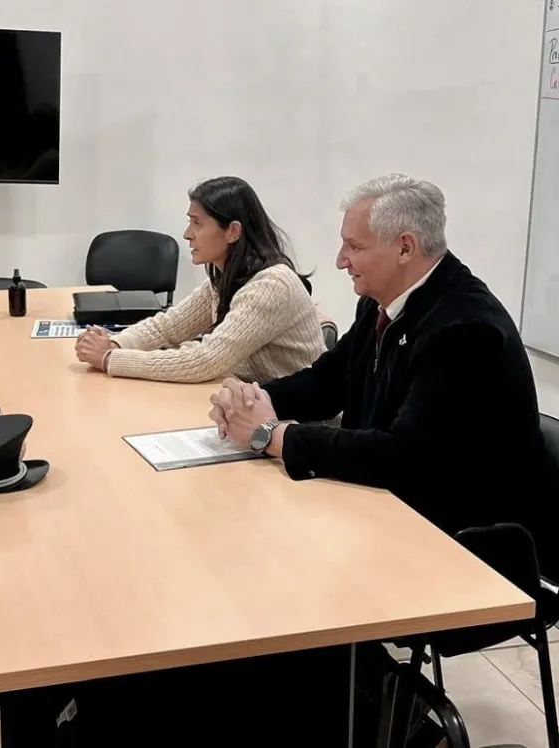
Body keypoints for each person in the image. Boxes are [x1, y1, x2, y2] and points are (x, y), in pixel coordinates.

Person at [209, 173, 559, 745]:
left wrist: (272, 437)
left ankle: (381, 716)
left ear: (404, 247)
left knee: (285, 578)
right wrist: (258, 398)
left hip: (472, 542)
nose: (341, 260)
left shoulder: (463, 326)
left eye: (354, 245)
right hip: (405, 511)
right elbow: (330, 381)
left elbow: (403, 457)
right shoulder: (386, 304)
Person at [75, 176, 325, 383]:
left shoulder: (271, 286)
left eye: (197, 223)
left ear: (233, 231)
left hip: (298, 422)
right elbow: (167, 327)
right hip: (256, 405)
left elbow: (205, 360)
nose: (187, 234)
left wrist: (109, 358)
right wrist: (116, 344)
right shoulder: (225, 278)